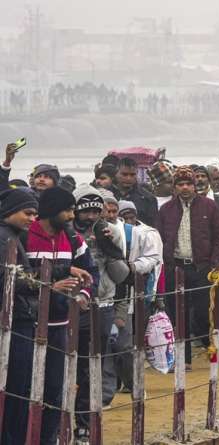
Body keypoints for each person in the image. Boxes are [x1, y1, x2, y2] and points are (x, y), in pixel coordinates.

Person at [21, 187, 97, 444]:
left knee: (56, 390)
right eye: (68, 210)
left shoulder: (74, 239)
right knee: (23, 389)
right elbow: (16, 277)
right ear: (53, 210)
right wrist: (48, 286)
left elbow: (91, 272)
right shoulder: (24, 237)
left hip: (61, 326)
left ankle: (49, 439)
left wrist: (83, 295)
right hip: (27, 326)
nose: (72, 215)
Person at [0, 188, 76, 445]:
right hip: (15, 322)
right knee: (16, 391)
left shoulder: (13, 236)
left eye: (35, 213)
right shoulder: (4, 239)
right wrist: (49, 285)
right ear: (10, 211)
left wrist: (62, 269)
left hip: (24, 319)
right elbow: (11, 278)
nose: (32, 218)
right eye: (27, 213)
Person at [71, 185, 130, 437]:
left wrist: (110, 242)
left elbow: (122, 273)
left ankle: (85, 423)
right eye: (86, 212)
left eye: (97, 211)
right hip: (72, 303)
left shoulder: (111, 230)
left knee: (93, 364)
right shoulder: (68, 233)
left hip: (103, 301)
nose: (91, 217)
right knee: (70, 364)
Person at [158, 166, 219, 366]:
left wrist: (215, 261)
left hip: (202, 268)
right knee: (178, 315)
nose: (185, 188)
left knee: (203, 313)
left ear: (195, 186)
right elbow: (160, 238)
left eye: (189, 183)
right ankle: (183, 360)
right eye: (180, 184)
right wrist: (166, 264)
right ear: (174, 187)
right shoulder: (166, 210)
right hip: (176, 269)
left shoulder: (209, 207)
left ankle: (209, 345)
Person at [106, 200, 162, 401]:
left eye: (114, 211)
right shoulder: (90, 234)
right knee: (101, 348)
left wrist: (133, 267)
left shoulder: (135, 233)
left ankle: (134, 384)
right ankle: (105, 395)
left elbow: (153, 258)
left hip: (125, 295)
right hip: (100, 296)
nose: (110, 215)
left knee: (124, 346)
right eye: (106, 211)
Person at [113, 157, 158, 227]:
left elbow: (152, 227)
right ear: (116, 173)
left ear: (137, 174)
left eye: (132, 175)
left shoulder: (148, 199)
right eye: (124, 174)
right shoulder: (106, 195)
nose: (128, 178)